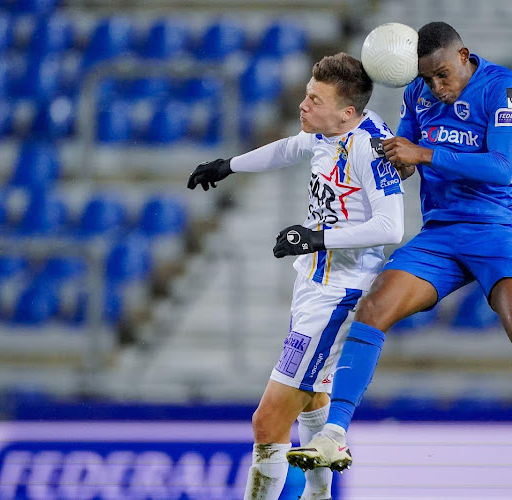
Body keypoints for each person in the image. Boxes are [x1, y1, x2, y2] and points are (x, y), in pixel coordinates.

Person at [287, 22, 512, 489]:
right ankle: (336, 434)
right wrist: (360, 156)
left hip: (496, 230)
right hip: (441, 233)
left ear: (464, 55)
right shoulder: (418, 97)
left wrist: (423, 155)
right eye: (425, 79)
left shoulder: (502, 87)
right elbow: (400, 160)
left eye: (442, 75)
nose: (436, 87)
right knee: (374, 308)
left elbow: (502, 169)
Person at [187, 53, 405, 500]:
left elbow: (392, 227)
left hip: (339, 294)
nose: (303, 105)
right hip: (313, 283)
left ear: (347, 112)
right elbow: (290, 147)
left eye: (314, 99)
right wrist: (229, 165)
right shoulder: (327, 132)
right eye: (306, 94)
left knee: (267, 420)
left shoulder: (369, 147)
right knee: (314, 398)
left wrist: (316, 237)